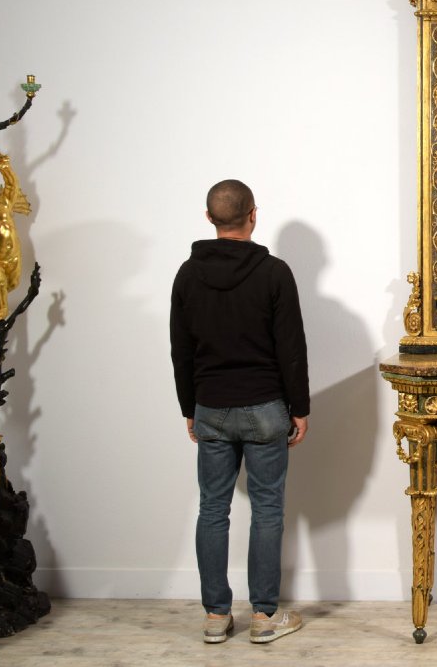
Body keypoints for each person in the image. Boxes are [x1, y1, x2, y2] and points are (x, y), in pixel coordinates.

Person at [170, 179, 310, 645]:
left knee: (213, 509)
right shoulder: (274, 273)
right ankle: (265, 618)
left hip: (210, 406)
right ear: (254, 214)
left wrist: (189, 406)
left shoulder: (188, 275)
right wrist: (300, 407)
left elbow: (181, 350)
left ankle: (215, 616)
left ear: (209, 218)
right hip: (266, 407)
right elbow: (291, 348)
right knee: (267, 510)